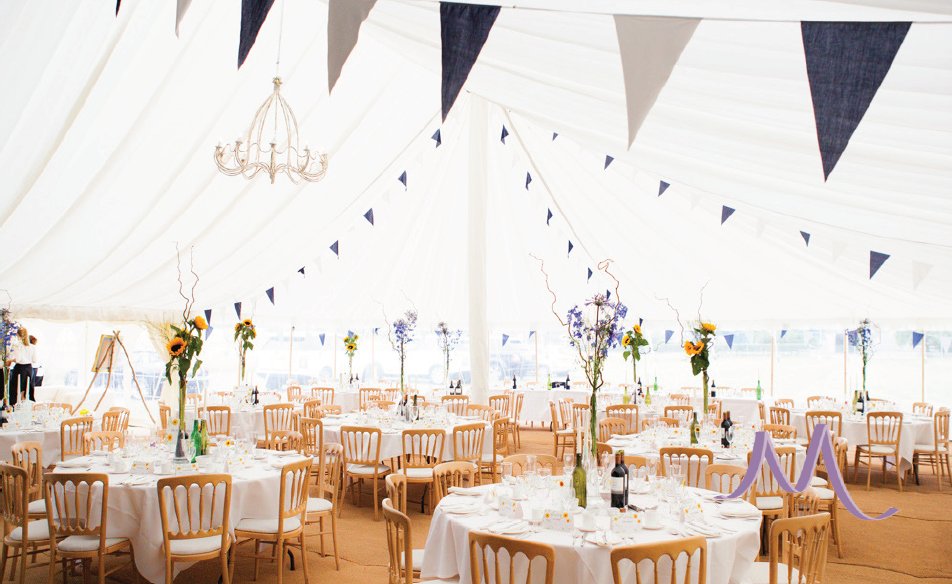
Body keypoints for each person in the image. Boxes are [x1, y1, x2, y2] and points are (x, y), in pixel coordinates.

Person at [6, 328, 36, 406]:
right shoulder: (32, 347)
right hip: (29, 369)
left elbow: (18, 359)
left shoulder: (17, 346)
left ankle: (14, 407)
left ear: (18, 335)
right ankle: (27, 407)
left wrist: (10, 360)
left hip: (20, 369)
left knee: (15, 390)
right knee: (27, 390)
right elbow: (34, 360)